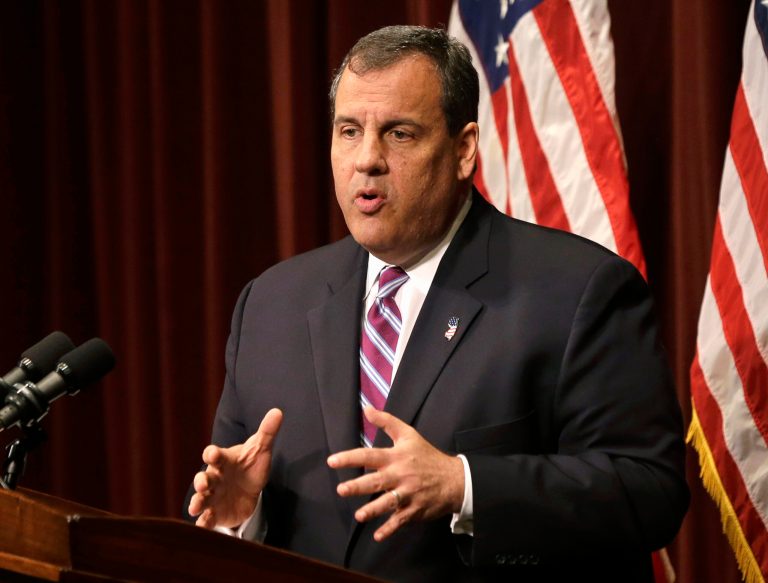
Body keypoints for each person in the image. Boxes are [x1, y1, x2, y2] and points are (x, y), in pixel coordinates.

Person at [187, 25, 688, 582]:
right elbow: (242, 513)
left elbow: (650, 491)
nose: (367, 160)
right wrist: (240, 518)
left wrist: (464, 485)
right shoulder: (271, 304)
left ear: (463, 149)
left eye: (399, 134)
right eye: (349, 131)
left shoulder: (576, 291)